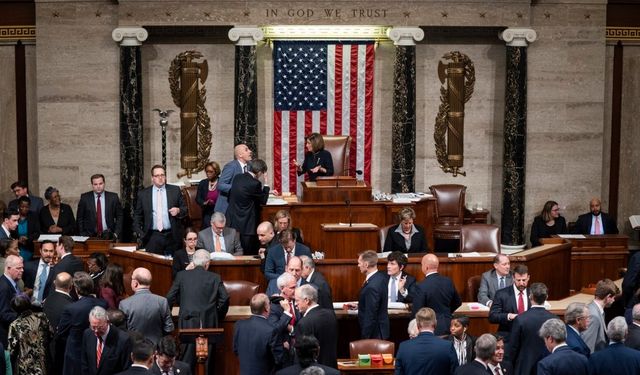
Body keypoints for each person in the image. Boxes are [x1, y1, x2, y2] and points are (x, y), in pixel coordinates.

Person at [166, 249, 229, 370]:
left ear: (193, 263)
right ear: (207, 263)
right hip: (209, 324)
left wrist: (168, 317)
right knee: (206, 364)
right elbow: (225, 298)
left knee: (185, 363)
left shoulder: (181, 275)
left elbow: (169, 297)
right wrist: (218, 315)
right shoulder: (215, 277)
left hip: (187, 323)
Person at [55, 272, 109, 375]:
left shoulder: (71, 308)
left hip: (76, 353)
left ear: (76, 289)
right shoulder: (103, 304)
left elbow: (61, 332)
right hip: (97, 351)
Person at [133, 164, 187, 255]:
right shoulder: (143, 194)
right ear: (152, 178)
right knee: (154, 265)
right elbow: (137, 215)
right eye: (157, 176)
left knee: (173, 265)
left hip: (172, 235)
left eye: (162, 175)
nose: (160, 178)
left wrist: (178, 211)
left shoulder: (175, 190)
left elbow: (185, 209)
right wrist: (141, 233)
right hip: (152, 236)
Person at [509, 282, 557, 375]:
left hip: (525, 368)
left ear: (530, 297)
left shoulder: (520, 319)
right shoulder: (555, 319)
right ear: (546, 297)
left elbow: (513, 348)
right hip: (549, 367)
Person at [226, 159, 271, 255]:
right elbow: (263, 201)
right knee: (248, 253)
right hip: (247, 224)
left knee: (234, 251)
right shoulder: (255, 183)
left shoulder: (237, 177)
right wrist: (266, 184)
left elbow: (245, 193)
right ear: (259, 172)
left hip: (233, 221)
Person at [395, 307, 458, 375]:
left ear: (418, 325)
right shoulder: (447, 346)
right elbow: (455, 372)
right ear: (435, 323)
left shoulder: (404, 347)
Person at [119, 267, 174, 345]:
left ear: (135, 283)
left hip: (134, 349)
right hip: (156, 350)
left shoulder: (124, 304)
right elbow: (169, 328)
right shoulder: (162, 301)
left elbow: (122, 332)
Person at [412, 254, 462, 335]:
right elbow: (458, 302)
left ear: (426, 267)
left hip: (430, 326)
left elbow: (417, 311)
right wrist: (447, 312)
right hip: (449, 324)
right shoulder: (448, 281)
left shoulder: (421, 286)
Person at [233, 293, 280, 375]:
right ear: (266, 308)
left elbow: (235, 349)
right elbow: (278, 358)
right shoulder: (271, 330)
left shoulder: (239, 324)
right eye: (269, 304)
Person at [294, 284, 338, 368]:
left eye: (297, 300)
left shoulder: (304, 323)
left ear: (306, 300)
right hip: (331, 368)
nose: (295, 304)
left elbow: (303, 355)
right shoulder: (331, 315)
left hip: (314, 370)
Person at [80, 306, 132, 375]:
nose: (96, 331)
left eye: (100, 327)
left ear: (107, 322)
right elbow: (84, 362)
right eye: (93, 327)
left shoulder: (123, 339)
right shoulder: (88, 334)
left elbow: (126, 369)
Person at [7, 294, 51, 375]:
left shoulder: (15, 325)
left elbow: (12, 350)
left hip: (25, 366)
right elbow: (51, 335)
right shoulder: (42, 317)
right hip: (43, 361)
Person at [352, 250, 389, 339]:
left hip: (374, 333)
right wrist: (360, 305)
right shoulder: (380, 277)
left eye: (359, 263)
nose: (358, 265)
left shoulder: (372, 286)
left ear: (366, 264)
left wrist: (365, 336)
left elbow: (371, 314)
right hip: (380, 330)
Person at [489, 263, 530, 340]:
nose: (521, 283)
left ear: (528, 278)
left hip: (528, 336)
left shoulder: (532, 293)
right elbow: (492, 316)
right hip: (508, 335)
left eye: (524, 280)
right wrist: (508, 316)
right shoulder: (501, 294)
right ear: (513, 278)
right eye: (518, 280)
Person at [76, 173, 124, 240]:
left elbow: (120, 216)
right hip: (89, 236)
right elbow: (80, 218)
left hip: (109, 236)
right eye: (95, 184)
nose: (98, 186)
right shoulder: (85, 198)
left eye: (100, 183)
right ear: (92, 185)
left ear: (104, 183)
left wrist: (116, 233)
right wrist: (82, 234)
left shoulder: (113, 197)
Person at [268, 272, 300, 369]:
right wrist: (286, 313)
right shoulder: (273, 306)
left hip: (299, 349)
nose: (295, 290)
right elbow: (275, 330)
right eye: (292, 288)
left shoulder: (299, 302)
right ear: (282, 288)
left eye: (296, 287)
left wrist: (291, 329)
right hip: (284, 351)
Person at [214, 144, 253, 215]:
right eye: (246, 150)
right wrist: (238, 189)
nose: (250, 151)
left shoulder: (250, 166)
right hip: (226, 208)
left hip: (241, 208)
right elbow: (220, 185)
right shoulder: (231, 166)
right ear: (240, 155)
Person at [582, 278, 619, 353]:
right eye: (613, 298)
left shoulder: (595, 309)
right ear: (608, 297)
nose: (614, 300)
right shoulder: (594, 316)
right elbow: (588, 347)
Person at [22, 239, 54, 306]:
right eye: (45, 251)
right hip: (29, 305)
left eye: (51, 251)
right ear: (40, 251)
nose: (48, 254)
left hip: (47, 306)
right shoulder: (28, 266)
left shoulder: (56, 269)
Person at [0, 255, 23, 347]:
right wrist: (23, 319)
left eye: (22, 268)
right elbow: (4, 314)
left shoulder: (13, 282)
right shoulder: (4, 287)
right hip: (5, 335)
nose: (22, 270)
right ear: (9, 268)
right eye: (18, 268)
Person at [195, 161, 221, 230]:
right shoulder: (203, 183)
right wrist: (204, 202)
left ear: (216, 172)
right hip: (207, 211)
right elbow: (198, 198)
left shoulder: (222, 182)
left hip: (220, 211)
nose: (208, 174)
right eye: (207, 172)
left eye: (211, 172)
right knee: (207, 223)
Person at [15, 196, 40, 261]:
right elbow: (10, 233)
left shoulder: (33, 216)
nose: (24, 209)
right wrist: (18, 240)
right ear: (18, 206)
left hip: (29, 247)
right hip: (16, 247)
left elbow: (37, 232)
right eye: (22, 206)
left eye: (27, 207)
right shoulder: (14, 216)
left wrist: (28, 238)